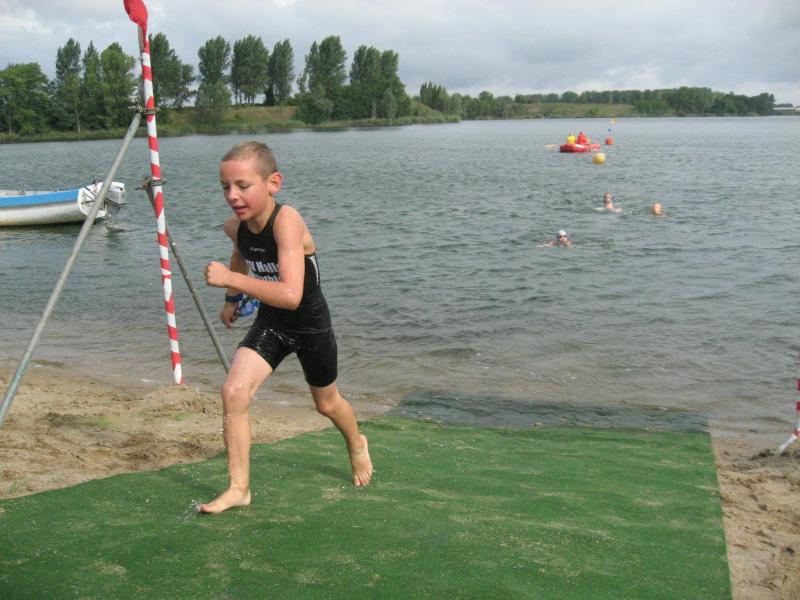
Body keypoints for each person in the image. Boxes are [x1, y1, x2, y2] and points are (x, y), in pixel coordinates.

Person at [201, 141, 373, 514]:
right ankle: (239, 488)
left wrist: (231, 278)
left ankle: (356, 443)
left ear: (273, 183)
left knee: (326, 404)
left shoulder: (287, 221)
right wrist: (231, 298)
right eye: (225, 187)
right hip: (272, 322)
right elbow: (241, 252)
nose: (232, 196)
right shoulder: (235, 227)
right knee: (234, 392)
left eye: (243, 186)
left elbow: (292, 295)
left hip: (310, 325)